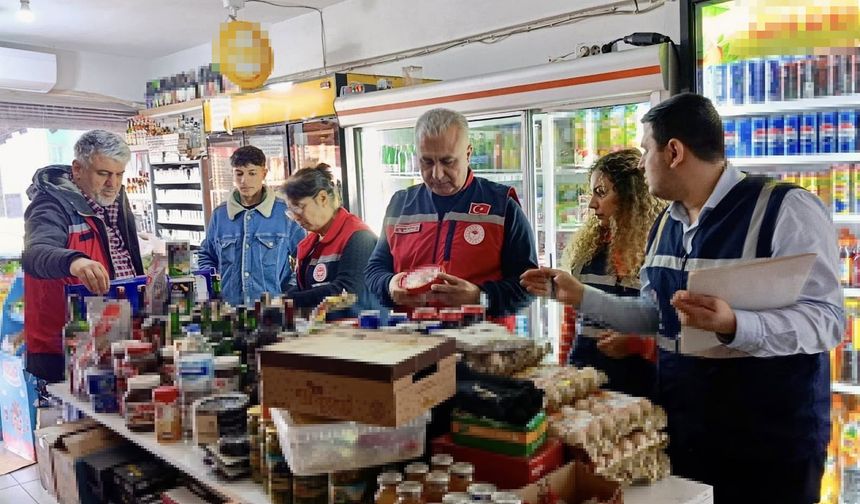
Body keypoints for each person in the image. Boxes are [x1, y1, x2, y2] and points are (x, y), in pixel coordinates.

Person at [521, 93, 841, 504]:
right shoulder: (666, 224)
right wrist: (581, 295)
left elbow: (826, 320)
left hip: (770, 442)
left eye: (644, 150)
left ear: (674, 152)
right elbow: (657, 318)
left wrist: (735, 325)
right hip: (688, 430)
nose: (640, 163)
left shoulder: (784, 208)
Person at [365, 108, 537, 321]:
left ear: (468, 153)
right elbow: (374, 270)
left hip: (482, 345)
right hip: (412, 340)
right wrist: (390, 286)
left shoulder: (502, 206)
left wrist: (479, 297)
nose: (437, 174)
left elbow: (529, 286)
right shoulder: (400, 204)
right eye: (427, 162)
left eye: (448, 161)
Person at [23, 130, 144, 382]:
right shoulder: (51, 205)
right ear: (78, 169)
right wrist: (75, 261)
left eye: (119, 174)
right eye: (103, 174)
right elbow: (35, 254)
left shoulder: (116, 199)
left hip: (111, 338)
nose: (113, 183)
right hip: (62, 348)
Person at [562, 149, 664, 398]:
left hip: (638, 391)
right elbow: (570, 323)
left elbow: (677, 336)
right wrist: (563, 373)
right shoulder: (588, 251)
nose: (592, 204)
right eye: (592, 193)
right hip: (586, 383)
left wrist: (639, 344)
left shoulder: (659, 252)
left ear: (630, 196)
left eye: (601, 192)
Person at [197, 146, 304, 307]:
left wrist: (290, 291)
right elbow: (206, 256)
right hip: (229, 312)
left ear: (264, 173)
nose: (244, 180)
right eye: (239, 173)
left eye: (252, 173)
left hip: (272, 312)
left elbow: (306, 257)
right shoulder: (220, 216)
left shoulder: (285, 214)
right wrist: (213, 289)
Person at [283, 164, 380, 318]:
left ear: (322, 198)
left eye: (299, 208)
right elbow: (302, 287)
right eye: (291, 211)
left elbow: (346, 291)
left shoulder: (359, 238)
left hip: (359, 332)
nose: (295, 217)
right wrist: (285, 299)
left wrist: (292, 300)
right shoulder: (310, 243)